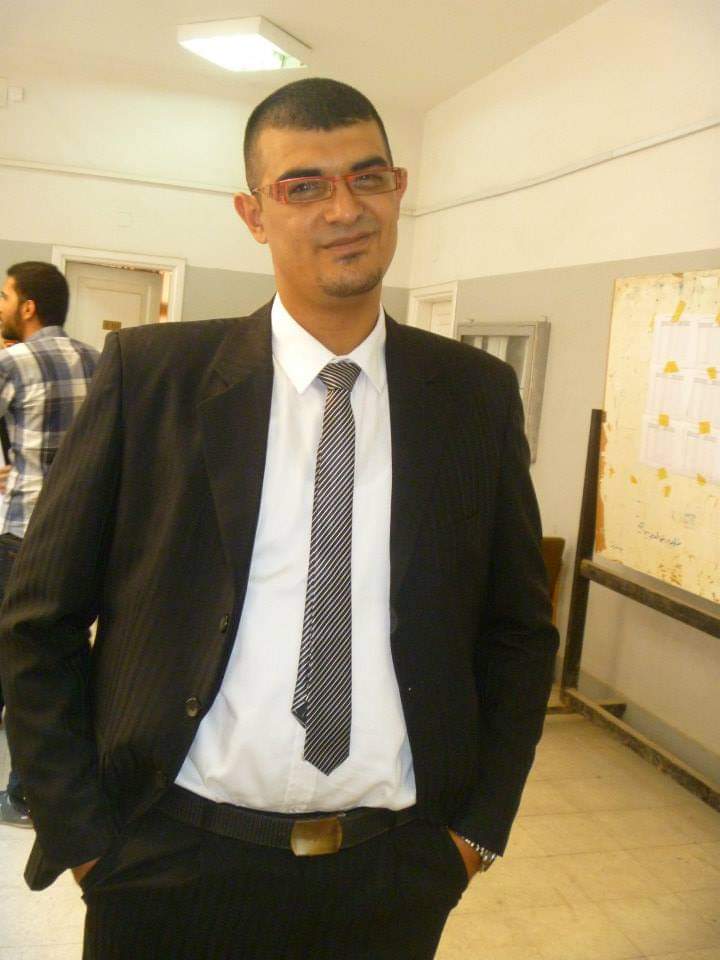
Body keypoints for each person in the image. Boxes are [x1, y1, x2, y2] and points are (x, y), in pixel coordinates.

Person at [0, 80, 558, 959]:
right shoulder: (152, 376)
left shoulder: (472, 397)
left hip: (393, 874)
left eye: (368, 177)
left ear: (398, 189)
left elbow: (518, 629)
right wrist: (85, 839)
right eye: (303, 186)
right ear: (254, 214)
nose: (344, 209)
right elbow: (40, 621)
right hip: (168, 862)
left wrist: (476, 832)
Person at [0, 261, 99, 828]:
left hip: (23, 535)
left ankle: (19, 792)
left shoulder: (13, 362)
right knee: (60, 660)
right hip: (82, 538)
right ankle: (34, 793)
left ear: (28, 306)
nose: (2, 305)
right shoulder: (99, 362)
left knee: (13, 660)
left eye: (5, 296)